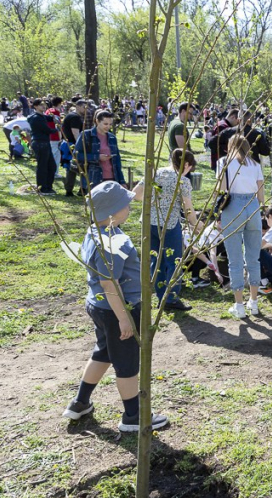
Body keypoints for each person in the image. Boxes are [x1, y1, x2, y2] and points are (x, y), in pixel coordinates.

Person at [62, 181, 169, 433]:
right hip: (118, 309)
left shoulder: (96, 231)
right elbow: (109, 281)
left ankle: (80, 402)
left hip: (98, 306)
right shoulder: (112, 242)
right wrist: (124, 318)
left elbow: (129, 197)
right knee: (127, 363)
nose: (130, 205)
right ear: (112, 212)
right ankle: (133, 416)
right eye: (126, 204)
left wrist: (145, 182)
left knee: (104, 352)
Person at [131, 150, 200, 312]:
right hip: (168, 225)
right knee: (174, 262)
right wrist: (195, 225)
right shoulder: (182, 181)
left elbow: (136, 195)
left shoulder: (155, 173)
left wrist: (156, 198)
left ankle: (161, 296)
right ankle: (171, 298)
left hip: (149, 222)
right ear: (187, 165)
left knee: (156, 260)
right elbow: (188, 208)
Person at [217, 135, 264, 319]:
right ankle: (254, 302)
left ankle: (239, 305)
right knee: (253, 258)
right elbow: (261, 194)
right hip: (253, 206)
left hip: (233, 207)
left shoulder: (225, 162)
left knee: (235, 259)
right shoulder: (255, 164)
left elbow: (222, 189)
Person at [75, 110, 126, 193]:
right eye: (105, 124)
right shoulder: (86, 135)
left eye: (110, 124)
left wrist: (121, 181)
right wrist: (97, 157)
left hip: (112, 178)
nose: (108, 127)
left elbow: (117, 161)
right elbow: (77, 155)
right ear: (97, 121)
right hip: (94, 179)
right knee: (96, 205)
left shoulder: (112, 138)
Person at [28, 98, 59, 195]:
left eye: (44, 104)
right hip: (39, 143)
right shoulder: (36, 118)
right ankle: (42, 188)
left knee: (52, 166)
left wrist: (55, 117)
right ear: (35, 106)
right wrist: (57, 129)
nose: (43, 106)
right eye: (41, 104)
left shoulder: (42, 116)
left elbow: (49, 117)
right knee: (43, 167)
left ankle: (48, 187)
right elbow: (47, 130)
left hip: (45, 143)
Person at [62, 99, 87, 196]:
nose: (85, 109)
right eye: (84, 107)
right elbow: (75, 132)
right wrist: (80, 146)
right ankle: (81, 189)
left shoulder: (70, 115)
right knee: (78, 166)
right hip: (73, 144)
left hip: (68, 143)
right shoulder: (75, 117)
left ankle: (69, 190)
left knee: (71, 167)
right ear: (78, 106)